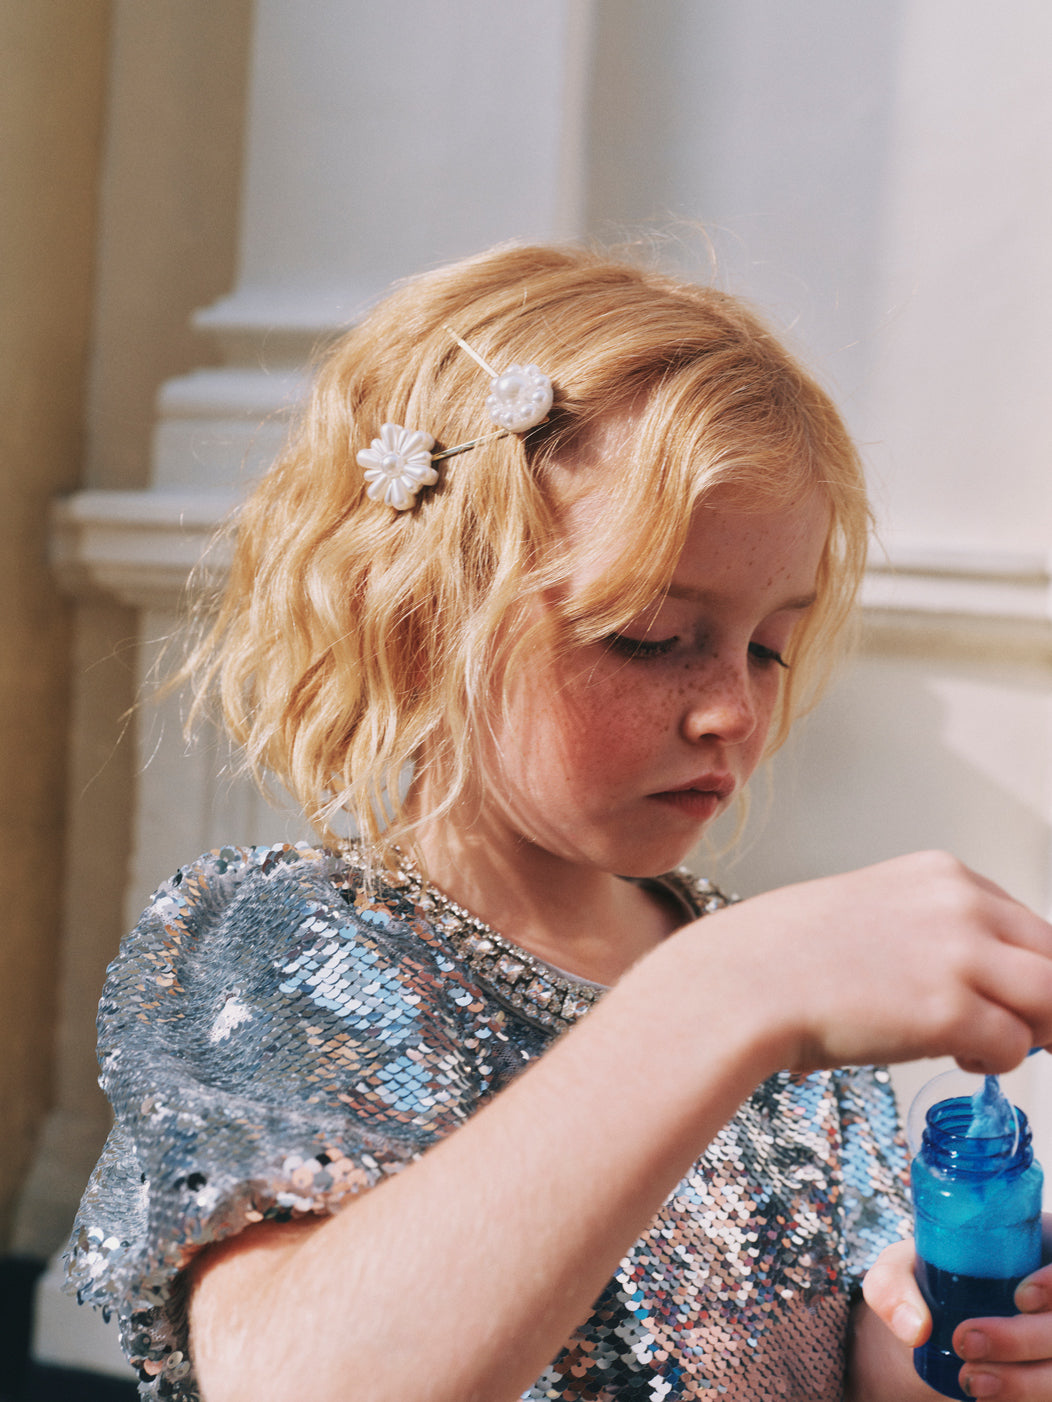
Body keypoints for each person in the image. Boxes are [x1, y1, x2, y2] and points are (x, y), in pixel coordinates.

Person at [67, 242, 1052, 1402]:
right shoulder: (279, 949)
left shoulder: (801, 1044)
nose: (731, 706)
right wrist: (724, 991)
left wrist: (953, 1343)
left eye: (769, 646)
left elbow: (845, 1357)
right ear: (418, 622)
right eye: (647, 635)